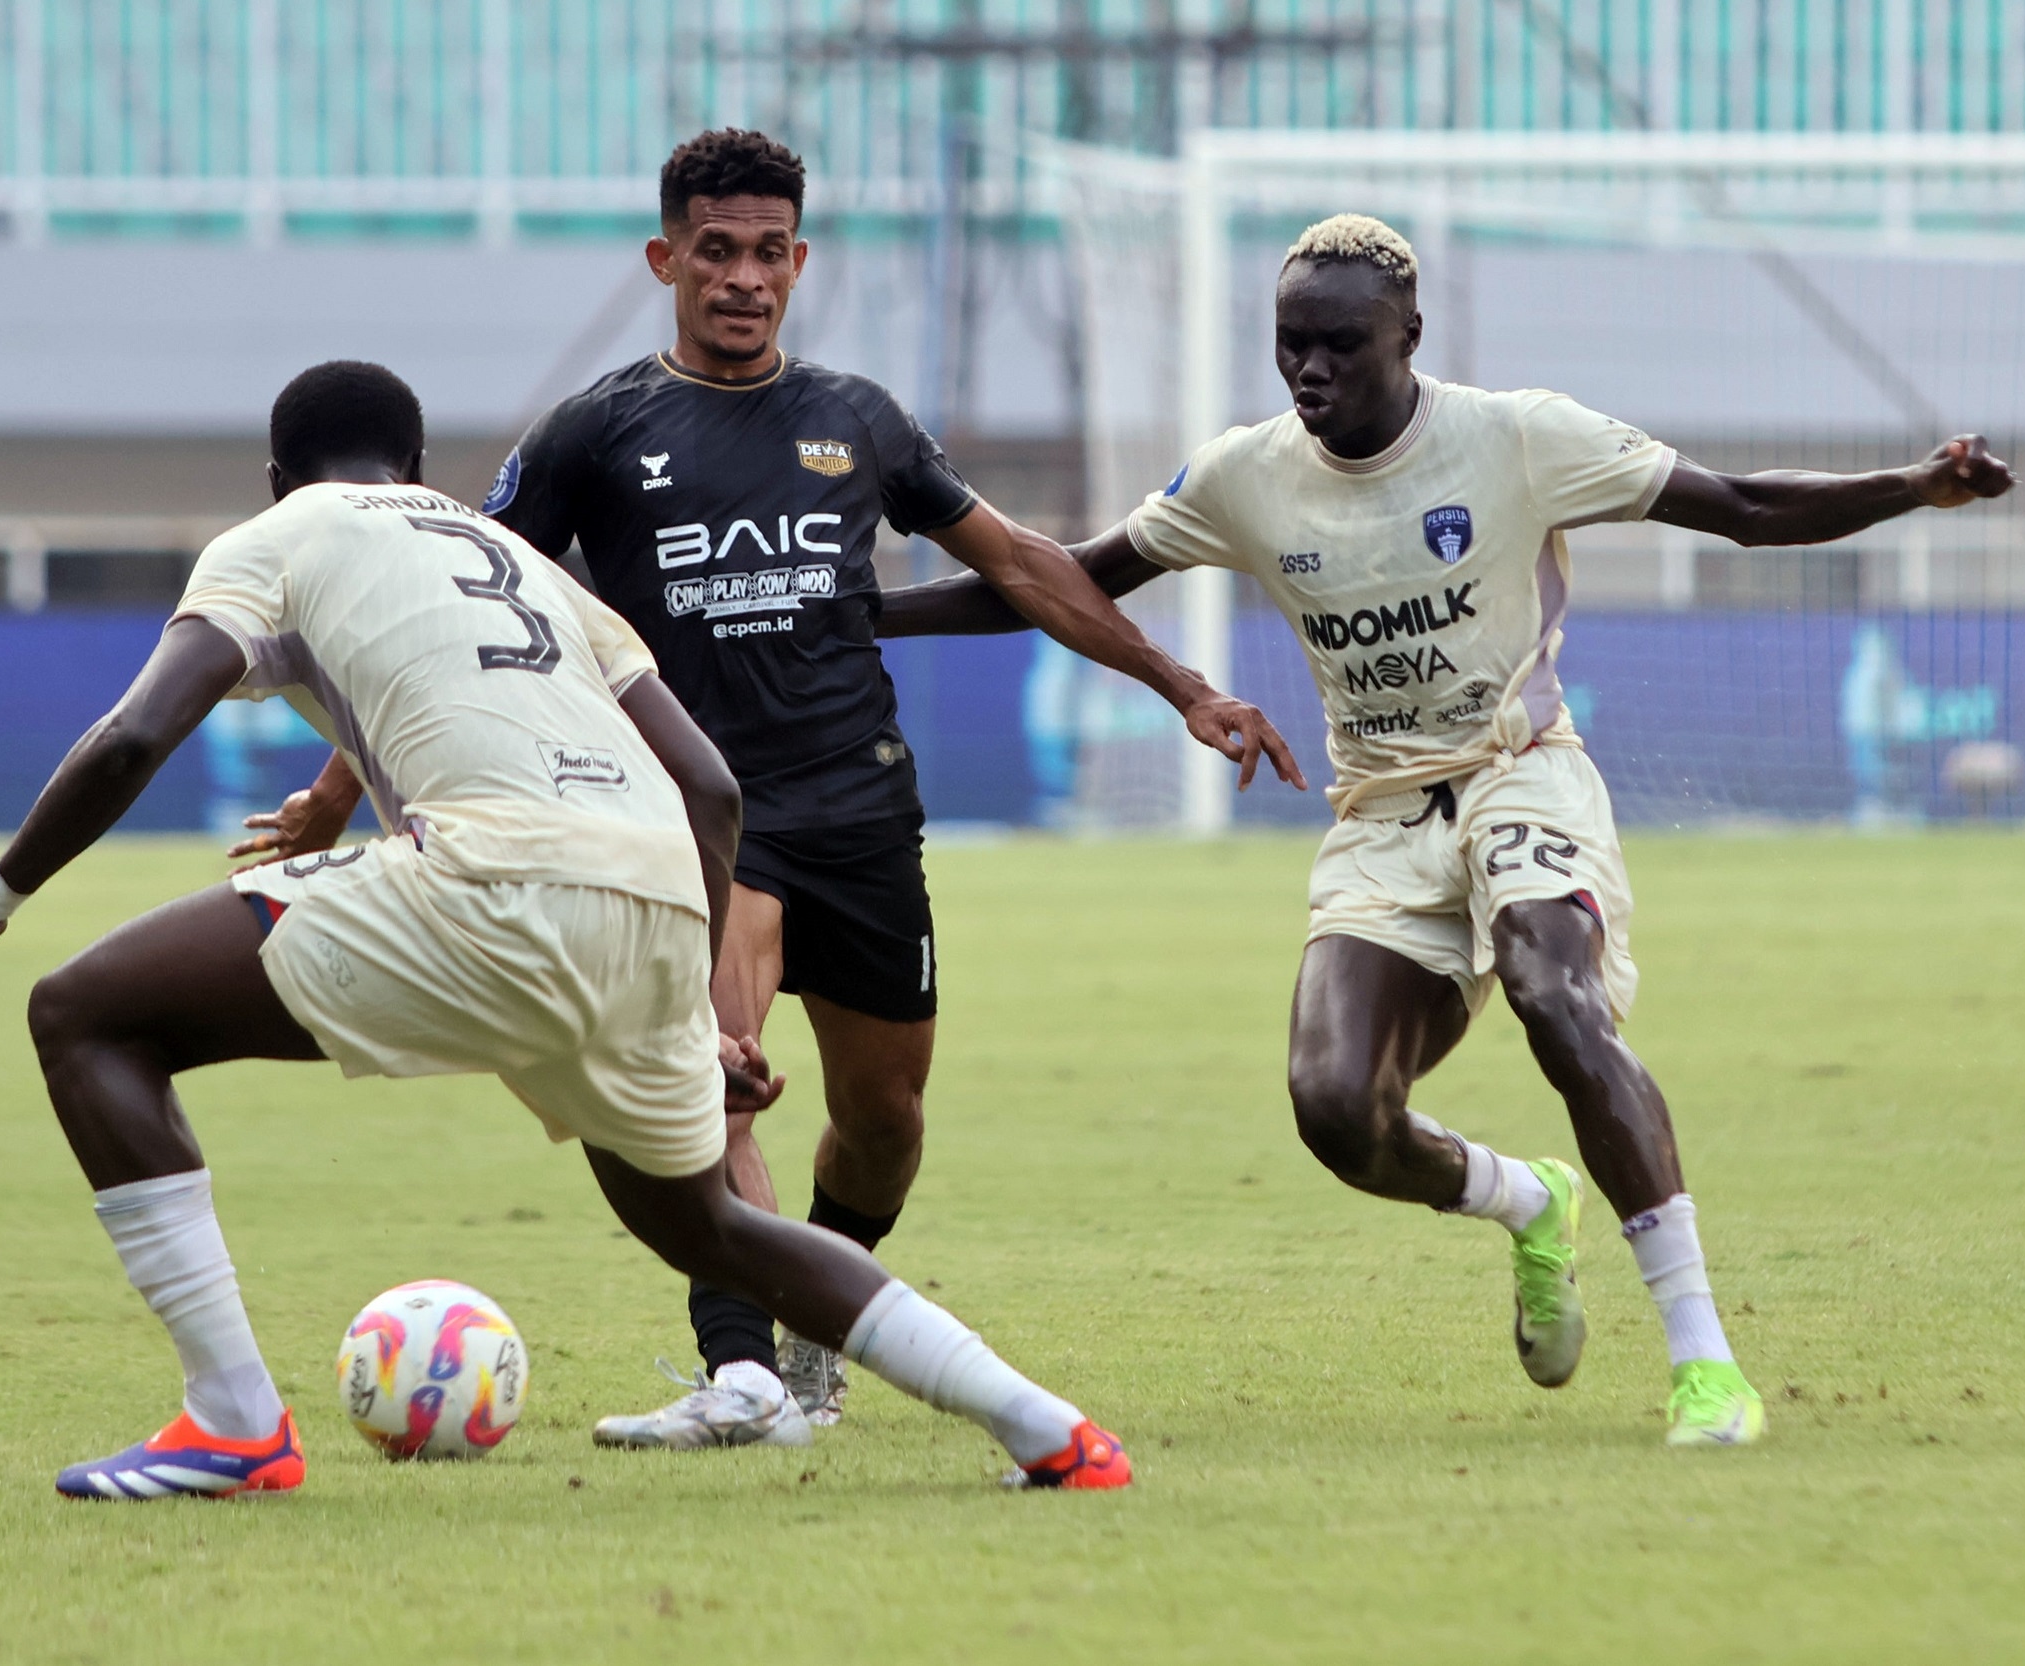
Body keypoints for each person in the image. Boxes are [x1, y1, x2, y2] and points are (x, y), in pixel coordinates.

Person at [0, 359, 1132, 1495]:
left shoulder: (281, 531)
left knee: (82, 1013)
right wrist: (686, 1004)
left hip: (491, 881)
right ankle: (1045, 1428)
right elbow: (711, 789)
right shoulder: (520, 558)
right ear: (415, 473)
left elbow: (138, 729)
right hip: (649, 892)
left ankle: (234, 1423)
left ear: (276, 476)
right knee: (711, 1229)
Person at [236, 129, 1298, 1450]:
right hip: (697, 816)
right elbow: (450, 610)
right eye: (715, 252)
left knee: (885, 1123)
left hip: (861, 809)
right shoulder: (594, 434)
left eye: (767, 254)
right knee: (721, 1080)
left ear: (798, 260)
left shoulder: (858, 419)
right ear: (665, 257)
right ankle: (738, 1371)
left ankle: (812, 1325)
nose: (743, 278)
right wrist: (341, 788)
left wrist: (1183, 684)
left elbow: (1023, 564)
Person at [877, 214, 2015, 1447]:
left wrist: (1913, 485)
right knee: (1336, 1111)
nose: (1308, 371)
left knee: (1553, 997)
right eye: (1288, 347)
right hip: (1378, 813)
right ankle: (1526, 1203)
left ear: (1408, 337)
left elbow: (1740, 505)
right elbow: (1059, 577)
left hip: (1518, 776)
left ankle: (1705, 1362)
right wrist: (860, 616)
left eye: (1339, 346)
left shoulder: (1516, 436)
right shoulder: (1243, 474)